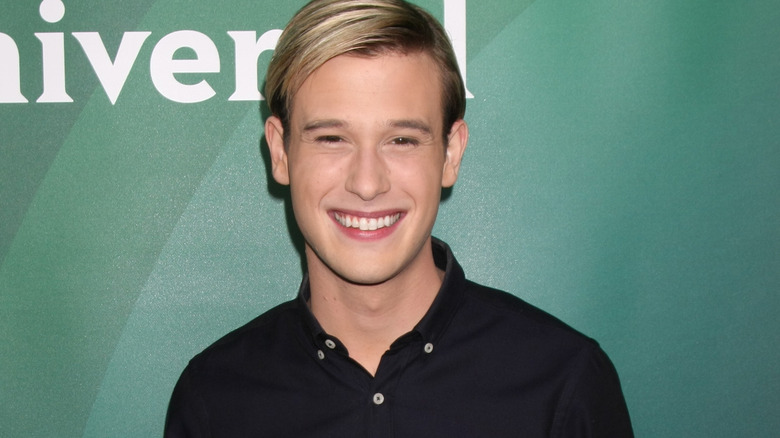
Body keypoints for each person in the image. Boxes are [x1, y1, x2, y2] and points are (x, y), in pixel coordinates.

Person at [164, 0, 634, 436]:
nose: (367, 183)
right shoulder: (215, 400)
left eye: (402, 140)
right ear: (280, 152)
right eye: (331, 138)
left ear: (451, 153)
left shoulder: (563, 383)